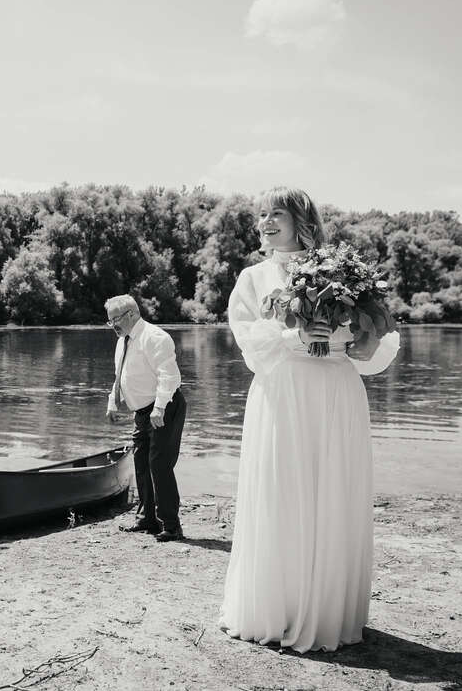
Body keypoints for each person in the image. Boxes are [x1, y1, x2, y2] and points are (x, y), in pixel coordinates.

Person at [218, 186, 400, 652]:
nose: (264, 222)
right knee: (283, 489)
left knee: (333, 489)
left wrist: (361, 341)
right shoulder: (253, 277)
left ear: (303, 219)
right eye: (261, 215)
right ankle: (278, 608)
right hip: (283, 390)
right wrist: (294, 332)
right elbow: (247, 339)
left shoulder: (345, 272)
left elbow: (378, 335)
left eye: (275, 213)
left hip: (336, 391)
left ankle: (327, 611)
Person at [104, 294, 187, 542]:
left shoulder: (155, 337)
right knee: (142, 464)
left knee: (159, 466)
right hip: (142, 412)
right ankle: (147, 520)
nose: (112, 326)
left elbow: (168, 376)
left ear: (131, 314)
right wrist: (113, 402)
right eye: (109, 321)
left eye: (115, 320)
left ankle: (171, 526)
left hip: (165, 407)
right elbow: (120, 375)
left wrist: (159, 408)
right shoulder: (123, 340)